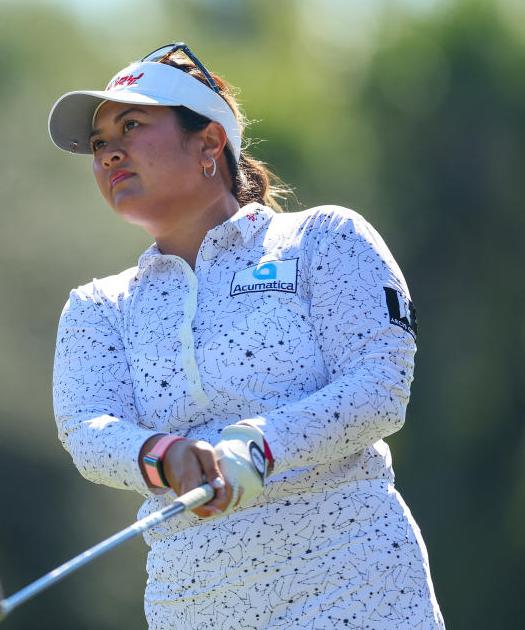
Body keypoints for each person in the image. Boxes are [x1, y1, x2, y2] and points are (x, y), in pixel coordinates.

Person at [47, 42, 445, 629]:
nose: (110, 153)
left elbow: (380, 387)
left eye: (131, 126)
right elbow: (88, 430)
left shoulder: (323, 239)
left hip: (356, 586)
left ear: (209, 143)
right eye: (101, 142)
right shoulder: (99, 306)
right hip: (195, 604)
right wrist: (166, 457)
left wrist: (259, 442)